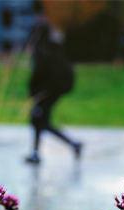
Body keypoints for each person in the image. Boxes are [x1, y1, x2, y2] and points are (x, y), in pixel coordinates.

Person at [26, 22, 82, 164]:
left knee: (40, 121)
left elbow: (38, 73)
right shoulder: (52, 48)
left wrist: (33, 91)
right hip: (52, 92)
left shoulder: (42, 50)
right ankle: (37, 152)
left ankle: (72, 144)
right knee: (40, 122)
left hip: (44, 93)